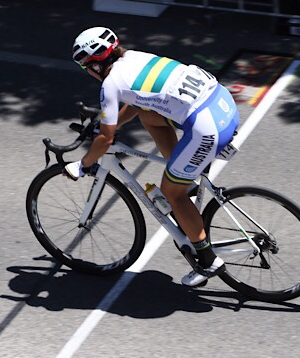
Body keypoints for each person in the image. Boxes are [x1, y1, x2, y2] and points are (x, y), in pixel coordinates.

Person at [64, 26, 240, 287]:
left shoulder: (110, 84)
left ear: (95, 65)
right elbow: (138, 104)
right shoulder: (134, 57)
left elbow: (106, 140)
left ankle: (207, 261)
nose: (88, 73)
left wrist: (83, 164)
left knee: (172, 193)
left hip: (207, 127)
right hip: (222, 103)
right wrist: (108, 124)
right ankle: (185, 181)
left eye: (85, 67)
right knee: (150, 117)